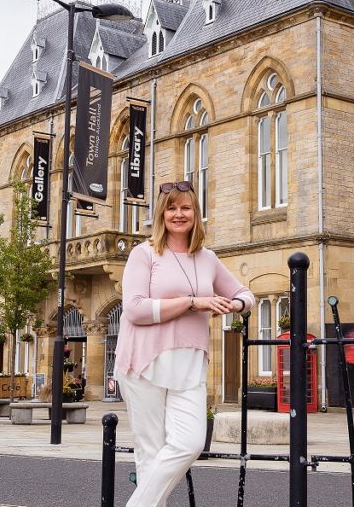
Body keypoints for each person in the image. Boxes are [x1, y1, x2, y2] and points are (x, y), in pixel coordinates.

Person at [114, 180, 255, 507]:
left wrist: (233, 305)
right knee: (150, 453)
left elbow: (245, 295)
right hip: (144, 363)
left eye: (186, 207)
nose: (179, 214)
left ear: (196, 213)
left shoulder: (207, 258)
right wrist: (193, 302)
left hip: (190, 364)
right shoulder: (144, 254)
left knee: (189, 443)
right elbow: (134, 309)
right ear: (161, 214)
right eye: (171, 208)